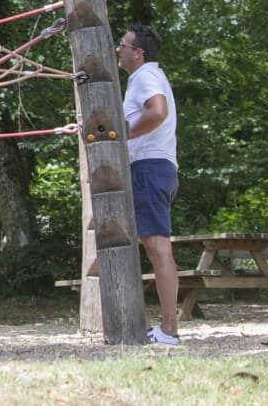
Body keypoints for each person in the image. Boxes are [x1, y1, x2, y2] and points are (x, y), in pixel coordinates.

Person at [118, 23, 181, 346]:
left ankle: (169, 330)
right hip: (155, 167)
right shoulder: (147, 77)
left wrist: (123, 135)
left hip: (149, 168)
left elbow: (157, 112)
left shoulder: (145, 77)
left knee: (158, 249)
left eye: (123, 46)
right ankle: (147, 326)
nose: (119, 50)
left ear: (138, 53)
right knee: (150, 247)